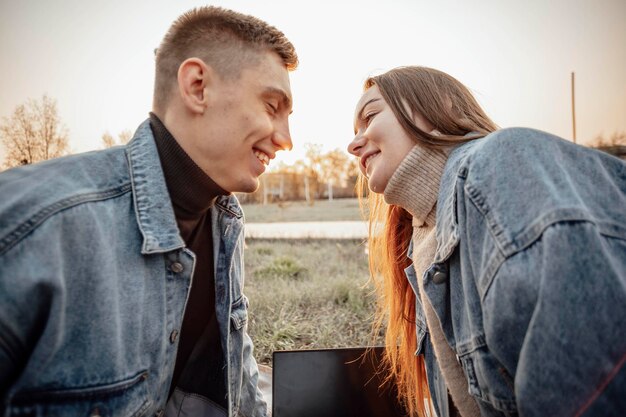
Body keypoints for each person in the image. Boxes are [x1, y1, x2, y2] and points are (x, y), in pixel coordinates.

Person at [0, 6, 297, 417]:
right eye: (271, 106)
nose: (286, 139)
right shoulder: (30, 228)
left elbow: (236, 356)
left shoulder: (226, 217)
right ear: (197, 87)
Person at [347, 66, 626, 417]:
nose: (353, 144)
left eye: (370, 117)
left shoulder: (498, 164)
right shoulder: (421, 240)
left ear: (443, 107)